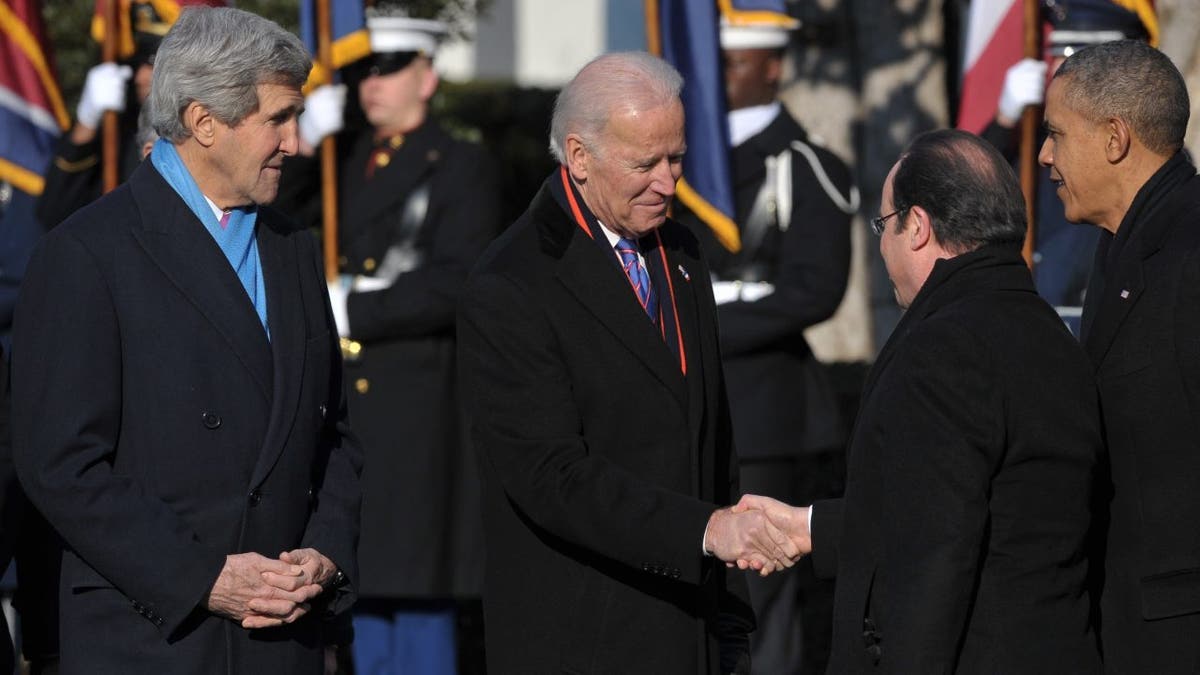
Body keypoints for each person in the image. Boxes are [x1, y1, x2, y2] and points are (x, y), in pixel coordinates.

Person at [11, 7, 362, 674]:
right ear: (205, 123)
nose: (296, 141)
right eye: (278, 118)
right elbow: (61, 463)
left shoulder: (292, 247)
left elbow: (334, 433)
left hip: (280, 633)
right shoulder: (88, 252)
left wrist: (326, 551)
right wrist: (206, 576)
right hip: (155, 634)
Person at [457, 51, 802, 675]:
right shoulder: (511, 282)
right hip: (582, 635)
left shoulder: (680, 250)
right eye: (645, 164)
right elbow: (551, 476)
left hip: (690, 627)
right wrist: (703, 531)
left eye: (676, 158)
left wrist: (731, 619)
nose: (668, 183)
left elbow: (711, 438)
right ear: (579, 157)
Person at [740, 129, 1104, 673]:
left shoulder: (946, 345)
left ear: (917, 227)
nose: (882, 244)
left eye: (883, 226)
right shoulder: (1045, 330)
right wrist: (810, 527)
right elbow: (981, 505)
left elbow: (934, 553)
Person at [281, 7, 502, 674]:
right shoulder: (337, 158)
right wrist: (305, 143)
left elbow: (462, 278)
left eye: (388, 70)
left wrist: (360, 305)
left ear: (426, 77)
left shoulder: (460, 164)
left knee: (415, 585)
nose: (369, 86)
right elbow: (265, 217)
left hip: (415, 400)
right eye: (361, 74)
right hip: (345, 398)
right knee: (358, 580)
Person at [678, 7, 856, 674]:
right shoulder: (681, 162)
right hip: (676, 401)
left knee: (759, 594)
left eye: (732, 62)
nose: (715, 77)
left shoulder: (807, 166)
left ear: (773, 66)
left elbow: (813, 289)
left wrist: (699, 323)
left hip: (757, 410)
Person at [1039, 39, 1200, 674]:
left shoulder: (1189, 255)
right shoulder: (1120, 247)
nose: (1045, 155)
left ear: (1114, 138)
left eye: (1055, 133)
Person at [983, 0, 1150, 322]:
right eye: (1057, 58)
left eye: (1074, 61)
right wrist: (1004, 122)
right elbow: (972, 187)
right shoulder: (1037, 145)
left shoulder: (1148, 154)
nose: (1056, 72)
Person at [35, 0, 223, 230]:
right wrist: (87, 124)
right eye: (139, 62)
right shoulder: (121, 131)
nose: (141, 76)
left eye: (157, 63)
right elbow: (54, 212)